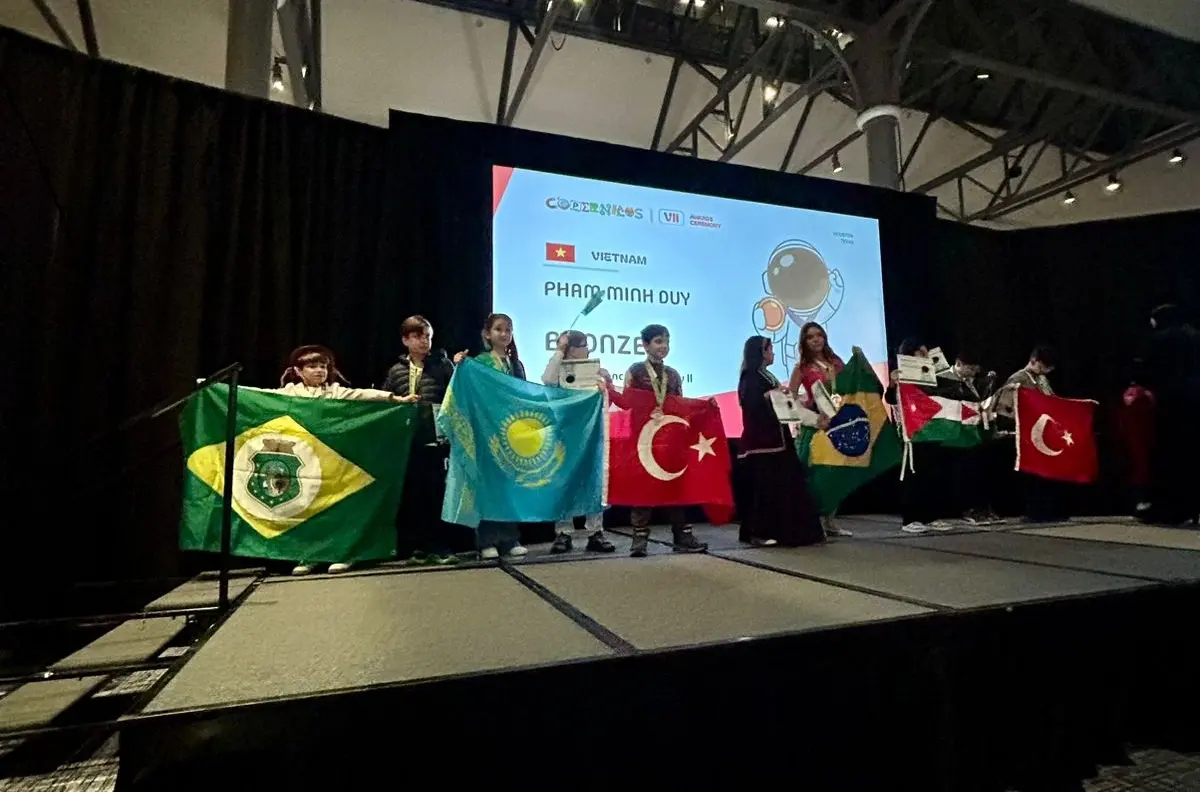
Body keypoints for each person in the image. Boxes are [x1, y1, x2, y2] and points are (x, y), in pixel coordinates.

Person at [271, 345, 404, 575]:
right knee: (309, 509)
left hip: (335, 462)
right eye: (312, 366)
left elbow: (362, 394)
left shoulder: (335, 392)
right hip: (305, 463)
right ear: (299, 371)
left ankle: (344, 553)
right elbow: (260, 398)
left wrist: (395, 398)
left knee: (339, 509)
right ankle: (310, 556)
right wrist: (227, 391)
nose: (319, 371)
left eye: (323, 366)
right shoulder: (290, 393)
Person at [382, 315, 468, 565]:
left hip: (437, 441)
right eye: (418, 336)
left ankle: (439, 545)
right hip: (408, 442)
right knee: (413, 495)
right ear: (405, 339)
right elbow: (387, 399)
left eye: (428, 336)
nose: (424, 342)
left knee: (436, 494)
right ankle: (417, 546)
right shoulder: (396, 370)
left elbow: (457, 396)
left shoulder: (442, 366)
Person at [621, 324, 708, 557]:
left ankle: (683, 535)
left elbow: (680, 406)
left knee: (676, 486)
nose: (663, 346)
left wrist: (704, 408)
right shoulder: (636, 371)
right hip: (643, 439)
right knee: (642, 489)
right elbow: (628, 403)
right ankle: (639, 540)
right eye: (658, 341)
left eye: (666, 342)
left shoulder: (673, 374)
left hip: (670, 439)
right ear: (645, 344)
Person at [737, 336, 826, 547]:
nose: (773, 353)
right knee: (764, 489)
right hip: (762, 443)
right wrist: (768, 396)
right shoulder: (750, 376)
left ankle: (785, 531)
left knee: (782, 486)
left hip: (779, 439)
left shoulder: (766, 375)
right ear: (760, 352)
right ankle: (758, 532)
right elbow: (749, 403)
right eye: (769, 350)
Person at [541, 330, 616, 554]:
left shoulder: (598, 371)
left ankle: (596, 532)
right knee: (565, 483)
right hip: (566, 437)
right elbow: (547, 380)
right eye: (582, 345)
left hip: (593, 437)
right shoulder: (556, 370)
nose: (588, 350)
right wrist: (560, 350)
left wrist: (607, 388)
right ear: (570, 348)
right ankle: (563, 533)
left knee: (595, 482)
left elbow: (605, 406)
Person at [470, 313, 528, 559]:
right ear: (487, 334)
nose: (504, 334)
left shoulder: (516, 364)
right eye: (498, 329)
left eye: (508, 330)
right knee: (489, 486)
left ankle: (510, 538)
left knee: (509, 487)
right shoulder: (479, 362)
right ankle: (487, 541)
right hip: (487, 431)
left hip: (512, 433)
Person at [1137, 304, 1200, 524]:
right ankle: (1193, 507)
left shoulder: (1160, 340)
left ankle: (1170, 509)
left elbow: (1148, 371)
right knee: (1192, 455)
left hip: (1171, 405)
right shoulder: (1195, 336)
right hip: (1195, 404)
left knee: (1169, 455)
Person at [788, 321, 852, 537]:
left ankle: (831, 521)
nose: (816, 339)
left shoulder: (837, 363)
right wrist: (811, 416)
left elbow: (848, 389)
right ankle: (814, 522)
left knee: (836, 472)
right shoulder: (802, 368)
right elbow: (791, 398)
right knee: (816, 474)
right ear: (804, 342)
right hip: (816, 426)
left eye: (819, 335)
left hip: (839, 423)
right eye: (810, 337)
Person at [995, 345, 1065, 522]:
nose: (1045, 371)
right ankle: (1034, 511)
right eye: (1043, 367)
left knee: (1046, 474)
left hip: (1043, 433)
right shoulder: (1018, 379)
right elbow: (1004, 408)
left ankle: (1048, 509)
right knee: (1033, 476)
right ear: (1033, 361)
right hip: (1027, 435)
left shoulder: (1041, 380)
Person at [936, 349, 1003, 526]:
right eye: (971, 369)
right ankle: (966, 509)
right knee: (962, 474)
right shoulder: (942, 378)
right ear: (959, 364)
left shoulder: (976, 381)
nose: (974, 373)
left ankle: (981, 508)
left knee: (978, 471)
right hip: (953, 435)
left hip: (974, 432)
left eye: (976, 370)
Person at [888, 337, 946, 534]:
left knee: (934, 473)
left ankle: (931, 516)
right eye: (920, 352)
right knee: (915, 473)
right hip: (913, 432)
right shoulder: (902, 374)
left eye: (925, 352)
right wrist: (894, 382)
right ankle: (911, 518)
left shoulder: (931, 374)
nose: (924, 355)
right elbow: (890, 398)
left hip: (933, 428)